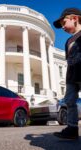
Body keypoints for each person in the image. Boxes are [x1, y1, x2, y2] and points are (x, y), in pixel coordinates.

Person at [53, 8, 81, 139]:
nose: (63, 27)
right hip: (72, 76)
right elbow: (68, 61)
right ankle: (72, 128)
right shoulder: (68, 41)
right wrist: (67, 77)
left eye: (64, 22)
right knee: (69, 101)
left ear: (74, 18)